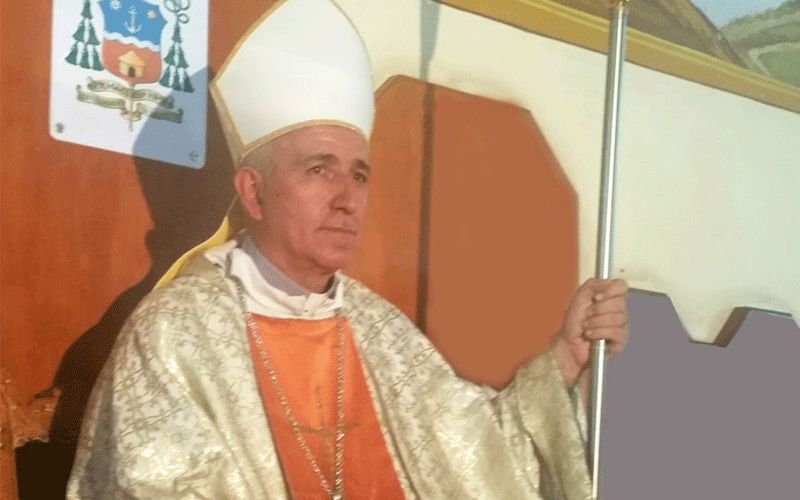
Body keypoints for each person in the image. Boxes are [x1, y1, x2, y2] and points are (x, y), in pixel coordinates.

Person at [67, 0, 628, 498]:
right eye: (319, 169)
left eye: (359, 175)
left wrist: (566, 356)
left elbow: (478, 455)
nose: (347, 199)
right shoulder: (175, 332)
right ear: (254, 193)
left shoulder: (378, 329)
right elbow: (144, 485)